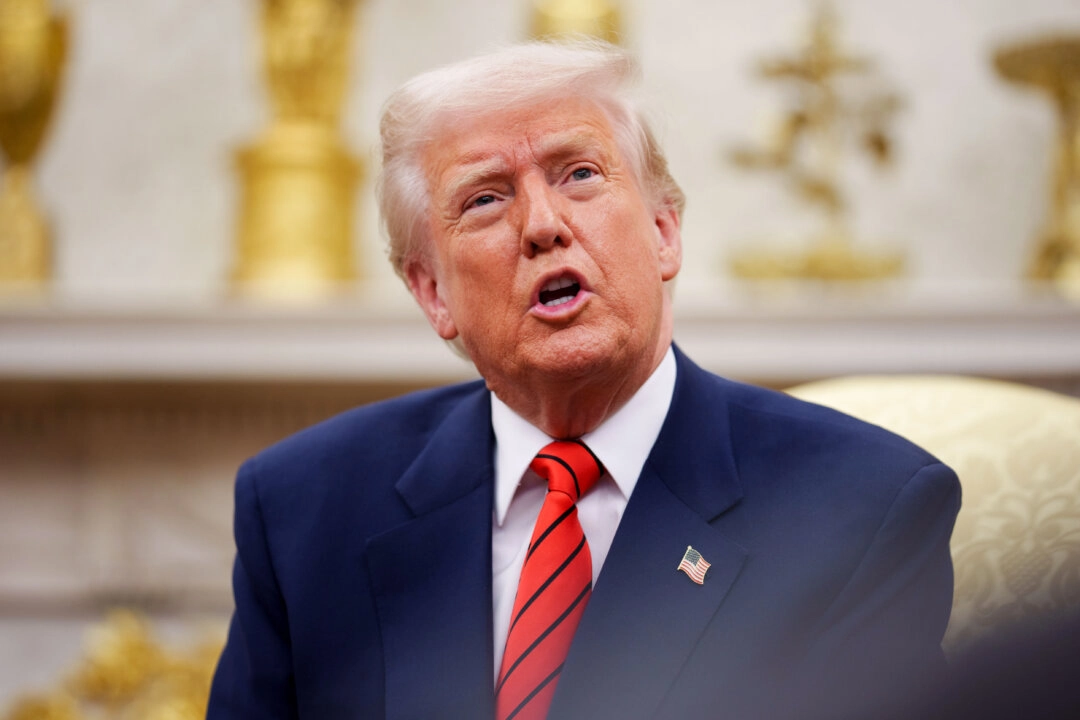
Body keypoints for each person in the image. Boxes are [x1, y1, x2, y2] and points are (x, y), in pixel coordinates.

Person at [207, 40, 960, 720]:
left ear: (664, 232)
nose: (542, 223)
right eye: (485, 198)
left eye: (580, 174)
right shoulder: (303, 510)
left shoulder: (863, 512)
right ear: (432, 292)